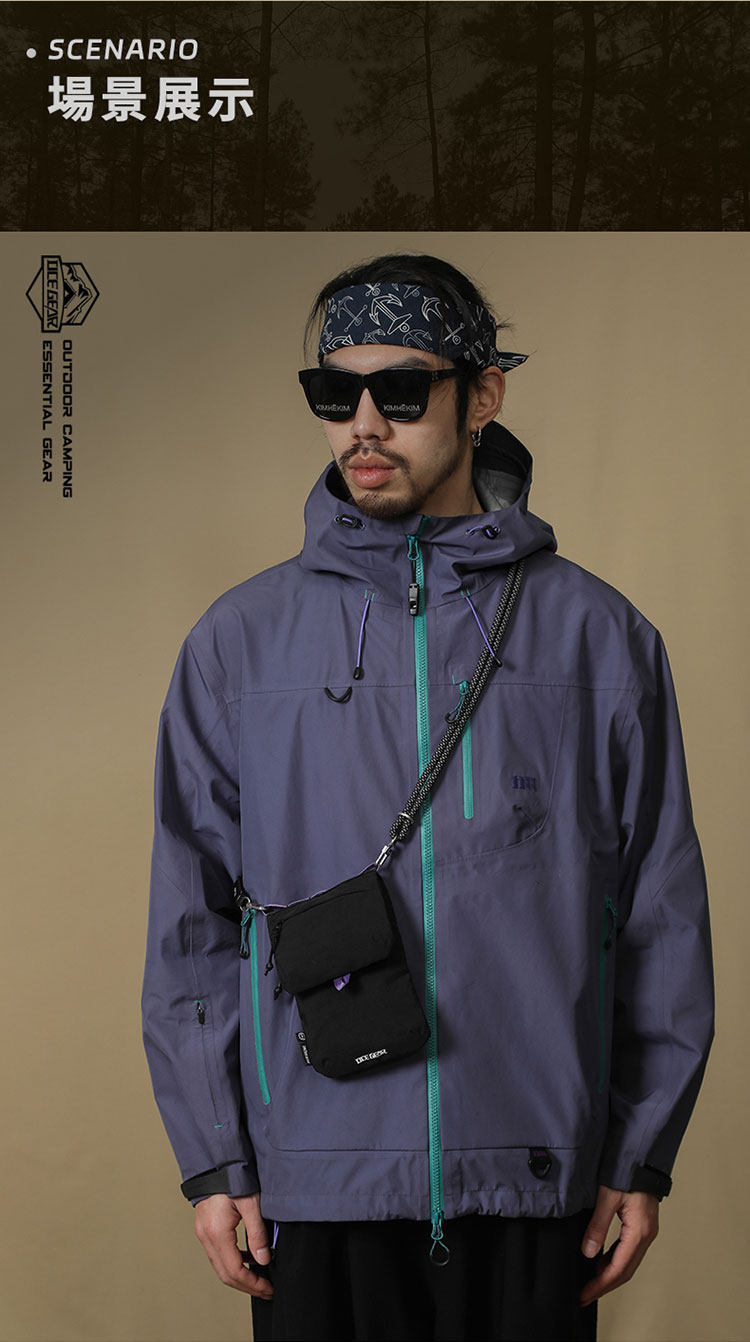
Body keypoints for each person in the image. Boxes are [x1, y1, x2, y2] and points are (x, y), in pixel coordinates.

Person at [142, 253, 714, 1342]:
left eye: (402, 392)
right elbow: (191, 923)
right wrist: (215, 1159)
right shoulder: (237, 644)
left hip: (534, 1181)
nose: (364, 424)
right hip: (319, 1182)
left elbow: (661, 913)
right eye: (335, 392)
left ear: (481, 394)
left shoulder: (601, 640)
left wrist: (641, 1153)